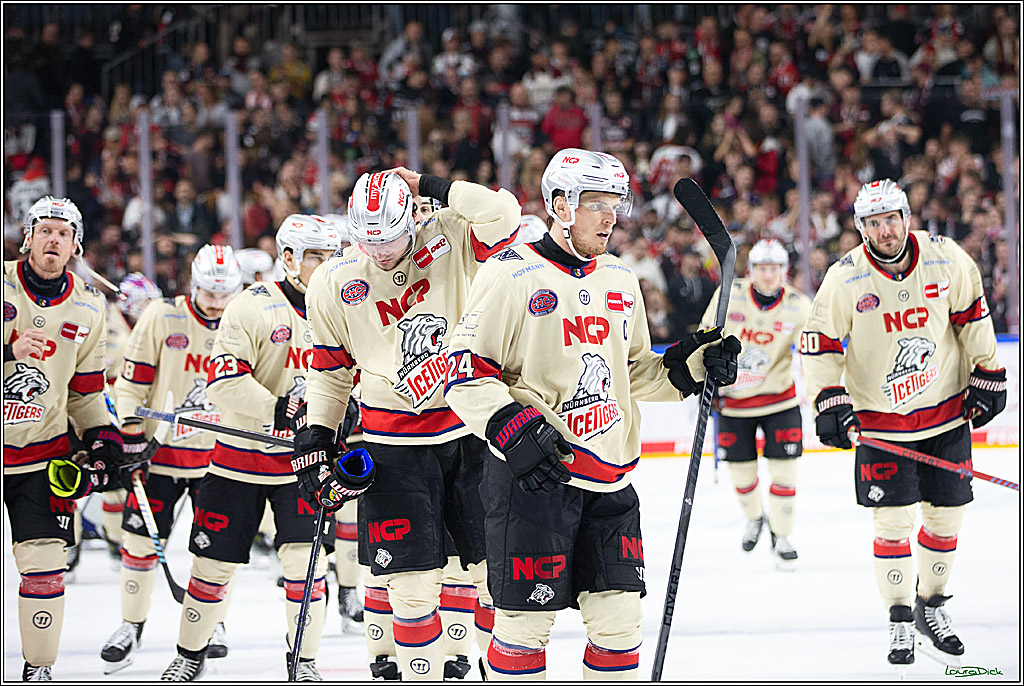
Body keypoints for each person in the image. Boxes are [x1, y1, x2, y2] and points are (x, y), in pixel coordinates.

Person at [442, 149, 740, 680]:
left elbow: (634, 372)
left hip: (610, 481)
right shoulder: (511, 274)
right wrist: (513, 431)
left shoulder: (619, 279)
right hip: (534, 482)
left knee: (621, 624)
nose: (610, 216)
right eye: (595, 203)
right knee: (523, 630)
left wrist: (692, 365)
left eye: (615, 203)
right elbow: (464, 372)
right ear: (559, 204)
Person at [300, 168, 520, 680]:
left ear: (413, 216)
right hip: (392, 446)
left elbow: (505, 214)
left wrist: (434, 183)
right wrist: (317, 433)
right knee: (411, 583)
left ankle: (488, 666)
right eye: (367, 239)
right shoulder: (334, 282)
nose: (379, 251)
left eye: (391, 237)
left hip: (469, 433)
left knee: (490, 574)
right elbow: (330, 372)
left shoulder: (449, 236)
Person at [801, 179, 1005, 668]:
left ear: (907, 217)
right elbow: (820, 343)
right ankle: (897, 615)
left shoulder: (947, 257)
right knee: (892, 524)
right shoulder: (845, 277)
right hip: (880, 426)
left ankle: (930, 605)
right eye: (873, 222)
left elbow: (973, 319)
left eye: (891, 218)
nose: (884, 230)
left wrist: (990, 373)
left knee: (946, 518)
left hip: (945, 415)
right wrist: (830, 400)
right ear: (861, 228)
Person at [159, 215, 343, 681]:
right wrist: (283, 410)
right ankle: (189, 653)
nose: (326, 266)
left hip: (303, 467)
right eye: (316, 257)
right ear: (288, 258)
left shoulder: (344, 306)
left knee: (307, 569)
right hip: (238, 463)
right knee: (212, 567)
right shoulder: (250, 306)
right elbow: (222, 381)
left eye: (331, 255)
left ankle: (303, 661)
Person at [3, 196, 132, 681]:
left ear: (76, 244)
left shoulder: (89, 305)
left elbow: (85, 391)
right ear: (29, 235)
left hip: (42, 454)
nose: (53, 239)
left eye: (63, 233)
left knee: (44, 568)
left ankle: (38, 669)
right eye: (45, 230)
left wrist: (102, 435)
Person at [100, 245, 243, 673]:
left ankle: (213, 624)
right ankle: (131, 625)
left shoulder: (244, 320)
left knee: (216, 552)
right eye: (209, 292)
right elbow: (131, 384)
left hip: (220, 460)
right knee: (140, 543)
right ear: (193, 284)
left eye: (224, 293)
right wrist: (129, 432)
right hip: (159, 456)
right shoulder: (163, 316)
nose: (216, 302)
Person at [700, 239, 811, 566]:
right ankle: (755, 518)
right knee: (742, 475)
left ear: (784, 271)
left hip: (780, 400)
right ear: (751, 271)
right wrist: (705, 380)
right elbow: (706, 336)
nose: (768, 275)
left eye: (774, 268)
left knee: (785, 474)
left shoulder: (798, 305)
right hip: (734, 402)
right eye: (762, 268)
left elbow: (814, 352)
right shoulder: (729, 294)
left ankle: (783, 534)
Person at [95, 273, 163, 570]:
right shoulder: (109, 325)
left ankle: (130, 534)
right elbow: (99, 373)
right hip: (107, 404)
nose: (149, 307)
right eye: (144, 302)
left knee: (136, 474)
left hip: (138, 407)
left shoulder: (152, 325)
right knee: (111, 478)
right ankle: (112, 538)